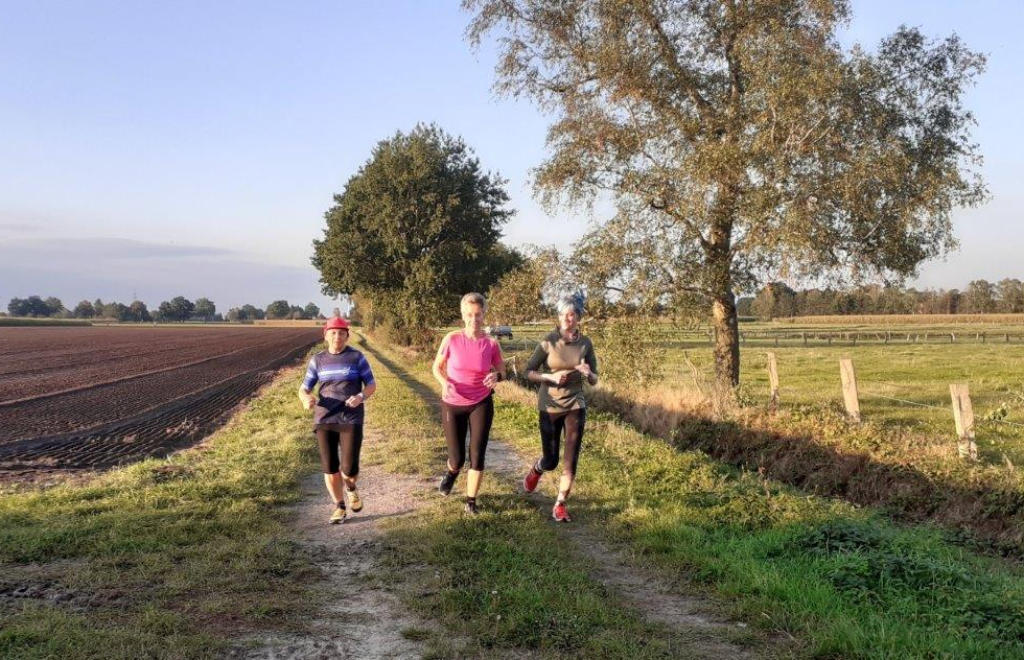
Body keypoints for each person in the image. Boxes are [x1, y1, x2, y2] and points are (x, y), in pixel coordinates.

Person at [521, 294, 598, 522]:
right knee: (551, 460)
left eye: (572, 314)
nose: (567, 318)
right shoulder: (549, 341)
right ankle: (538, 469)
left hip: (575, 404)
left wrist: (588, 373)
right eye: (563, 314)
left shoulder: (585, 344)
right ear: (559, 316)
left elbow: (594, 379)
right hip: (550, 405)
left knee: (570, 459)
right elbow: (528, 371)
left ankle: (560, 504)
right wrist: (550, 377)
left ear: (578, 318)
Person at [432, 292, 506, 514]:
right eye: (470, 314)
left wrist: (497, 376)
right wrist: (444, 382)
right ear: (463, 315)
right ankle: (452, 473)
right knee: (457, 459)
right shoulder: (452, 339)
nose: (474, 319)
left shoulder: (491, 343)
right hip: (453, 403)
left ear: (484, 315)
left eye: (478, 314)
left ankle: (471, 501)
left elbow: (502, 370)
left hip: (481, 402)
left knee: (477, 454)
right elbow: (436, 367)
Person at [298, 317, 376, 524]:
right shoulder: (317, 360)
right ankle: (340, 507)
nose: (337, 337)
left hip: (351, 417)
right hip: (325, 417)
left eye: (341, 333)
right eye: (333, 333)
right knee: (330, 467)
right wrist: (306, 399)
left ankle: (350, 487)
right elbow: (304, 388)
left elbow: (371, 385)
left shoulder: (357, 357)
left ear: (347, 336)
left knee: (349, 469)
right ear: (325, 335)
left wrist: (360, 397)